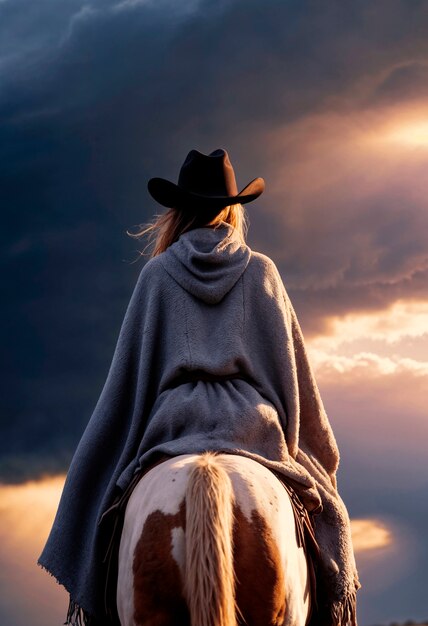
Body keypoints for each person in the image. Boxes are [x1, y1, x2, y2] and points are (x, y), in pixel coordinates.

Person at [37, 148, 360, 626]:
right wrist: (309, 452)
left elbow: (128, 386)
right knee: (327, 529)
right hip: (254, 430)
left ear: (178, 209)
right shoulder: (262, 273)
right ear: (232, 206)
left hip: (172, 429)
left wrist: (103, 463)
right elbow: (293, 384)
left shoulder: (157, 276)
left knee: (104, 529)